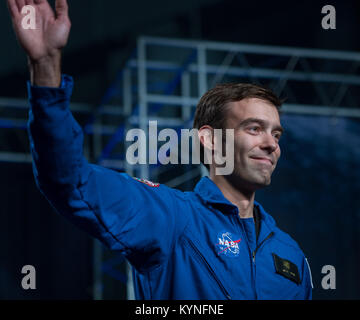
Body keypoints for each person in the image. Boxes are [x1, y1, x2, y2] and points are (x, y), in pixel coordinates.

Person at [7, 0, 312, 299]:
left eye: (276, 133)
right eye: (254, 128)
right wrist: (46, 68)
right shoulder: (170, 216)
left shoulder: (291, 255)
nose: (271, 144)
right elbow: (69, 181)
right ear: (211, 139)